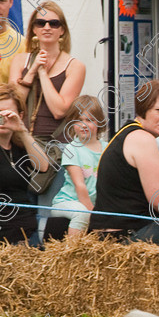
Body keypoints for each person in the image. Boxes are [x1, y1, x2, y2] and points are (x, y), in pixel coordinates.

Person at [89, 80, 159, 243]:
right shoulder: (143, 139)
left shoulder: (127, 132)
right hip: (127, 236)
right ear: (143, 109)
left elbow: (151, 188)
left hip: (109, 235)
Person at [9, 1, 85, 142]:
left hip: (57, 146)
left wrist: (43, 73)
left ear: (62, 30)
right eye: (41, 23)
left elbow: (59, 111)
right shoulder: (20, 60)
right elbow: (13, 104)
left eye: (54, 23)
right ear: (33, 29)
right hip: (21, 143)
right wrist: (32, 71)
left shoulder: (75, 66)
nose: (47, 27)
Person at [0, 83, 49, 244]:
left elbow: (43, 166)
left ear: (20, 115)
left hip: (27, 222)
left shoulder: (18, 145)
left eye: (9, 114)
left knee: (63, 225)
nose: (2, 119)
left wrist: (22, 130)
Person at [49, 95, 106, 236]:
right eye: (79, 120)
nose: (84, 125)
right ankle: (72, 252)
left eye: (89, 120)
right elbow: (79, 185)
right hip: (67, 202)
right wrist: (94, 214)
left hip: (93, 205)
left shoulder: (107, 148)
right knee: (82, 214)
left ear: (99, 122)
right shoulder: (72, 149)